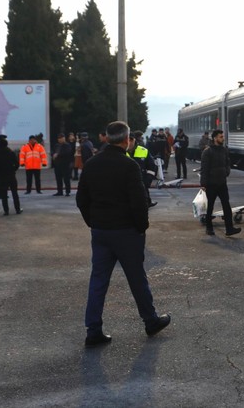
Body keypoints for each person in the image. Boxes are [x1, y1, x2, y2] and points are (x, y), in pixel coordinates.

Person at [77, 121, 171, 346]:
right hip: (126, 232)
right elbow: (139, 202)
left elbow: (81, 199)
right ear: (127, 140)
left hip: (100, 231)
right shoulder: (129, 166)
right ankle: (150, 321)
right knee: (137, 278)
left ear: (107, 138)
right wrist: (141, 228)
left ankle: (93, 330)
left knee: (98, 280)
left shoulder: (92, 163)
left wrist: (93, 222)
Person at [200, 129, 242, 236]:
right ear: (215, 138)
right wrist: (203, 184)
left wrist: (226, 172)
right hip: (211, 184)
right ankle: (209, 228)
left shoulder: (224, 150)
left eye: (222, 136)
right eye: (220, 137)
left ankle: (229, 229)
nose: (222, 138)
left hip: (222, 183)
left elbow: (227, 162)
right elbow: (204, 169)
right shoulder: (207, 151)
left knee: (226, 206)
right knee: (210, 206)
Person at [0, 134, 21, 215]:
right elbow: (16, 163)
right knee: (15, 193)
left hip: (2, 176)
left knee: (4, 194)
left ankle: (6, 211)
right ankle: (17, 209)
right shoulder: (10, 152)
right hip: (11, 175)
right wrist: (13, 170)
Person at [129, 130, 158, 208]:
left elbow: (152, 166)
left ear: (134, 140)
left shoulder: (143, 151)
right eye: (127, 140)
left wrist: (148, 179)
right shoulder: (120, 152)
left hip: (142, 180)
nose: (129, 142)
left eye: (131, 139)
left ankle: (147, 202)